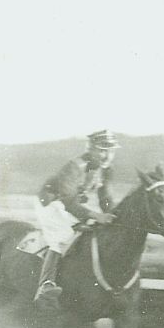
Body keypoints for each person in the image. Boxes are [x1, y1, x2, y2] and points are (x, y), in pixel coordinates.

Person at [33, 129, 120, 308]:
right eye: (101, 150)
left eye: (110, 151)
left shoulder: (107, 170)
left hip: (71, 205)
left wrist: (114, 217)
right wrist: (96, 215)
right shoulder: (74, 166)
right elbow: (68, 201)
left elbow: (106, 199)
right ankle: (45, 285)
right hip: (51, 203)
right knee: (63, 236)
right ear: (91, 149)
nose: (106, 156)